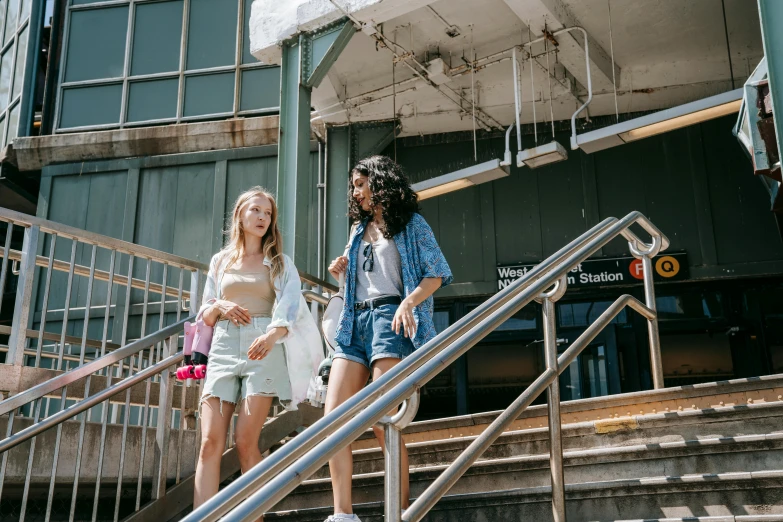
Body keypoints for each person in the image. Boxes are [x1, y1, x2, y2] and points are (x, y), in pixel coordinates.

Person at [325, 156, 453, 522]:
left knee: (383, 419)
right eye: (353, 186)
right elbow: (359, 282)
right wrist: (341, 273)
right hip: (354, 323)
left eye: (360, 184)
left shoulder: (413, 225)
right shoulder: (357, 229)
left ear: (379, 183)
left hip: (389, 318)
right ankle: (342, 515)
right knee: (333, 420)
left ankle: (400, 510)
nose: (355, 192)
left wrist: (409, 303)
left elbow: (437, 273)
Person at [193, 187, 322, 515]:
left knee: (246, 441)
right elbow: (204, 313)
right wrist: (219, 304)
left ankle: (254, 516)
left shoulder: (279, 262)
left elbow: (291, 306)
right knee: (209, 443)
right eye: (256, 210)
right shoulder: (220, 262)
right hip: (223, 347)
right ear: (240, 215)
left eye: (268, 213)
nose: (263, 217)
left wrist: (271, 335)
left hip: (261, 349)